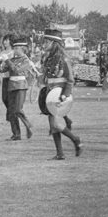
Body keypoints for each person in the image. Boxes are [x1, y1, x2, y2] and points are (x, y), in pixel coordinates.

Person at [38, 28, 82, 160]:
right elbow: (46, 79)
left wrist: (64, 95)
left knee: (56, 125)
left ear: (54, 43)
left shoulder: (63, 59)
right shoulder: (48, 58)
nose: (44, 44)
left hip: (58, 95)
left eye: (47, 41)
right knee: (53, 126)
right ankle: (60, 153)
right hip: (50, 94)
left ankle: (76, 140)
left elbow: (70, 80)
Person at [0, 36, 35, 140]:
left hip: (20, 86)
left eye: (17, 48)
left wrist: (7, 60)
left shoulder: (26, 60)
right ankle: (16, 134)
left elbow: (16, 70)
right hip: (11, 86)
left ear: (23, 49)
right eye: (14, 48)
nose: (14, 50)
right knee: (11, 112)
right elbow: (3, 70)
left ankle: (28, 125)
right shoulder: (12, 59)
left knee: (18, 109)